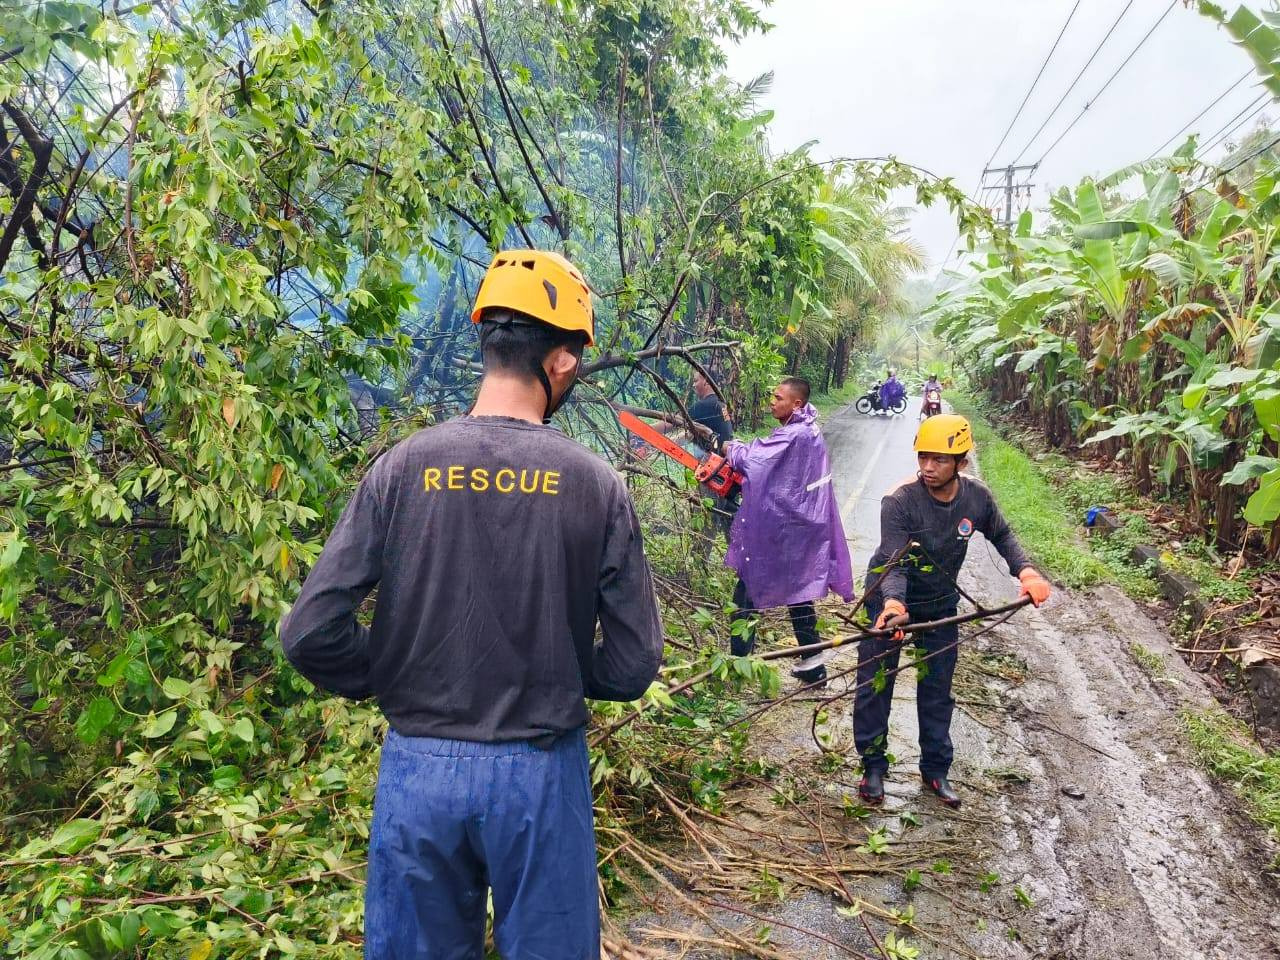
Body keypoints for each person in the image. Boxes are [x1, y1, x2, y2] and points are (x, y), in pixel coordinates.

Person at [279, 249, 664, 959]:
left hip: (418, 770)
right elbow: (637, 661)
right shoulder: (595, 484)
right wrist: (567, 671)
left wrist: (393, 671)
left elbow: (309, 632)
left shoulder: (401, 466)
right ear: (564, 361)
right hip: (540, 772)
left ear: (488, 342)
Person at [853, 414, 1050, 809]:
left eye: (940, 459)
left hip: (940, 606)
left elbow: (1002, 533)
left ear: (961, 462)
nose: (928, 467)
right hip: (888, 602)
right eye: (924, 457)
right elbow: (893, 559)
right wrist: (893, 604)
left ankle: (936, 770)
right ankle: (873, 767)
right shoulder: (901, 500)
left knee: (937, 689)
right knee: (875, 686)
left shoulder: (976, 498)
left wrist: (1026, 571)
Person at [722, 377, 854, 686]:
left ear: (796, 403)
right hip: (802, 524)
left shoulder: (795, 434)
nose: (772, 401)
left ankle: (737, 666)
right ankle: (814, 663)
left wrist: (732, 447)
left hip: (788, 527)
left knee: (747, 588)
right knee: (799, 591)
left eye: (778, 397)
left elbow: (754, 460)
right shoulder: (807, 428)